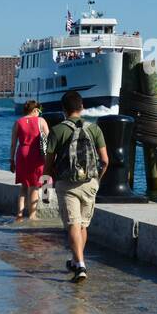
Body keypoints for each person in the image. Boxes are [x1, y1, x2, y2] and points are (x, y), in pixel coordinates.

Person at [44, 91, 109, 283]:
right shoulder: (94, 129)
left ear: (63, 109)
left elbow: (48, 164)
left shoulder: (56, 130)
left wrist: (46, 187)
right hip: (90, 183)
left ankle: (80, 264)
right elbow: (105, 160)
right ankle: (76, 259)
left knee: (73, 223)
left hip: (67, 184)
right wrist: (97, 180)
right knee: (82, 224)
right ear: (82, 108)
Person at [9, 100, 49, 221]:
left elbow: (13, 144)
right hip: (35, 154)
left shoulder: (18, 122)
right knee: (35, 185)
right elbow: (49, 140)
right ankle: (32, 215)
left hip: (22, 154)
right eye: (39, 111)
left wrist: (11, 160)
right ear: (35, 110)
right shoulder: (41, 121)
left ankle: (20, 214)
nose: (39, 113)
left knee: (24, 186)